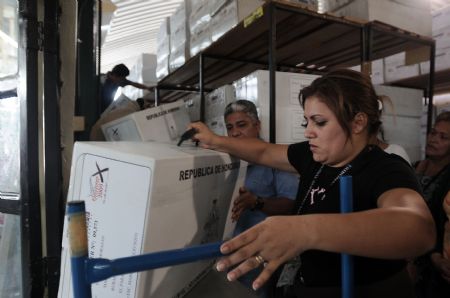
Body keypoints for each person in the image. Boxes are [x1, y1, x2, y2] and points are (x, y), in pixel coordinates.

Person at [188, 69, 435, 298]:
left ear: (357, 123)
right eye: (307, 122)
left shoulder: (386, 168)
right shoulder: (313, 157)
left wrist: (305, 230)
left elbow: (418, 228)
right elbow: (263, 152)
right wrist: (215, 140)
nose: (308, 132)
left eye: (320, 122)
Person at [224, 100, 298, 297]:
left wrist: (257, 202)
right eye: (229, 127)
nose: (235, 133)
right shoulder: (226, 161)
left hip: (261, 255)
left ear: (257, 126)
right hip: (228, 252)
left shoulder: (274, 160)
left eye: (242, 125)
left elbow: (292, 204)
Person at [412, 111, 450, 298]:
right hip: (409, 252)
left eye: (443, 137)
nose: (434, 139)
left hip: (433, 258)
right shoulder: (415, 167)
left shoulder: (448, 178)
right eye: (433, 133)